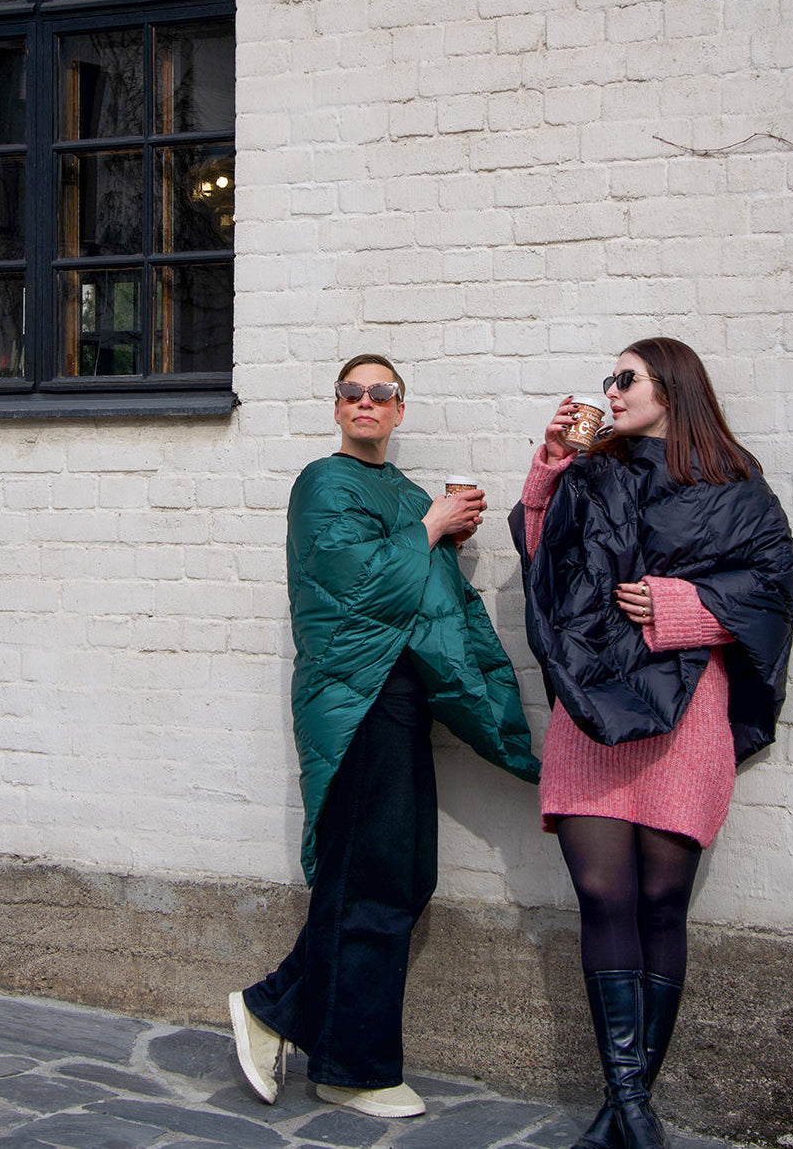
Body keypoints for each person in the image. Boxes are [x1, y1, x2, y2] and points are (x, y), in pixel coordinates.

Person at [229, 353, 539, 1119]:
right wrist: (431, 527)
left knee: (398, 875)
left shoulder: (402, 492)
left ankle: (283, 1013)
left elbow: (432, 599)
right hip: (354, 699)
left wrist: (441, 530)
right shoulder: (323, 484)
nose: (365, 403)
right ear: (336, 407)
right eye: (352, 392)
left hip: (403, 698)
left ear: (399, 410)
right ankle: (353, 1066)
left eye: (381, 393)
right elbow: (359, 587)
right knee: (371, 876)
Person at [509, 338, 793, 1149]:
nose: (612, 388)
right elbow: (544, 556)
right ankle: (635, 1111)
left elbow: (774, 583)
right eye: (610, 378)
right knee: (604, 895)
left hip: (685, 715)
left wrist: (687, 607)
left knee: (662, 902)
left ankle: (623, 1110)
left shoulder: (732, 480)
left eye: (625, 377)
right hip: (592, 711)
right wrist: (551, 463)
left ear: (671, 387)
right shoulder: (594, 468)